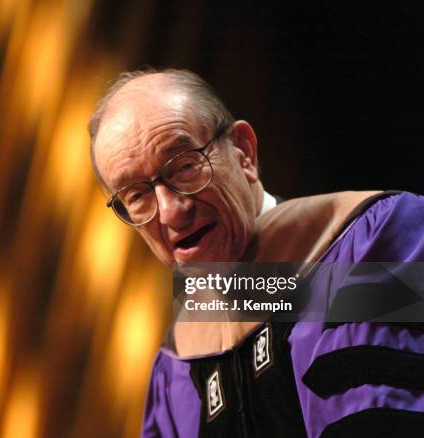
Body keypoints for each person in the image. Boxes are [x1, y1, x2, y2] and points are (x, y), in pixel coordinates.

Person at [88, 68, 424, 437]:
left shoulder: (370, 240)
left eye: (184, 167)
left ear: (244, 153)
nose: (171, 212)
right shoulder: (175, 371)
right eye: (137, 195)